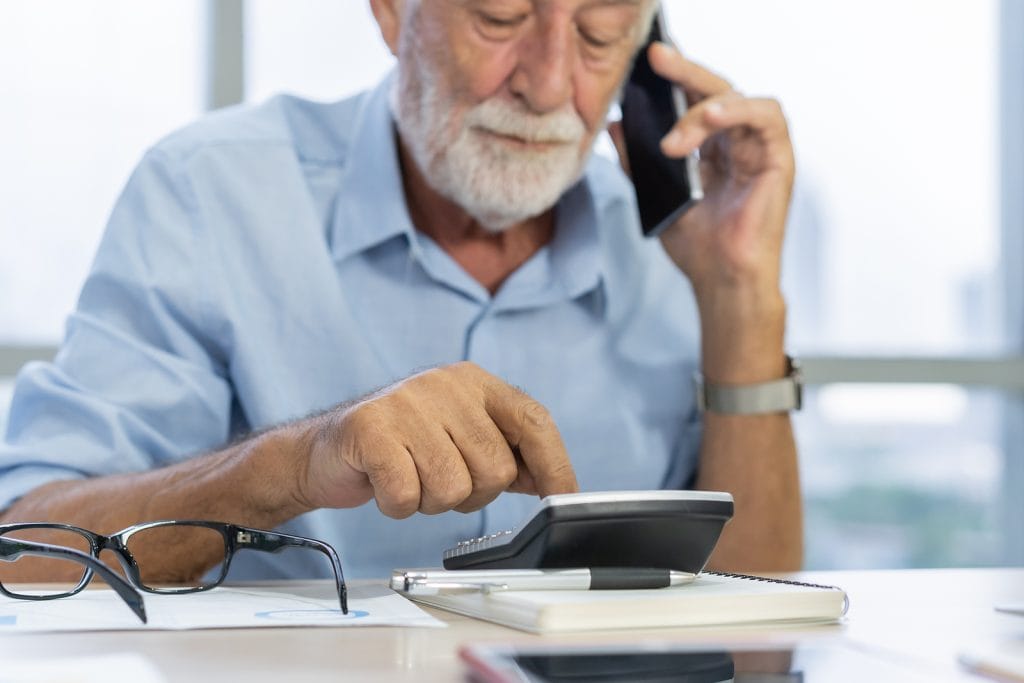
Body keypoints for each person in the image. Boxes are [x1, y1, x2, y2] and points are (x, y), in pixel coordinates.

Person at [0, 0, 801, 581]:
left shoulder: (678, 247)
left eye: (598, 34)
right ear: (390, 11)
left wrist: (740, 298)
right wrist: (298, 462)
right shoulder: (208, 192)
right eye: (499, 18)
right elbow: (23, 553)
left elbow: (760, 630)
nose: (550, 85)